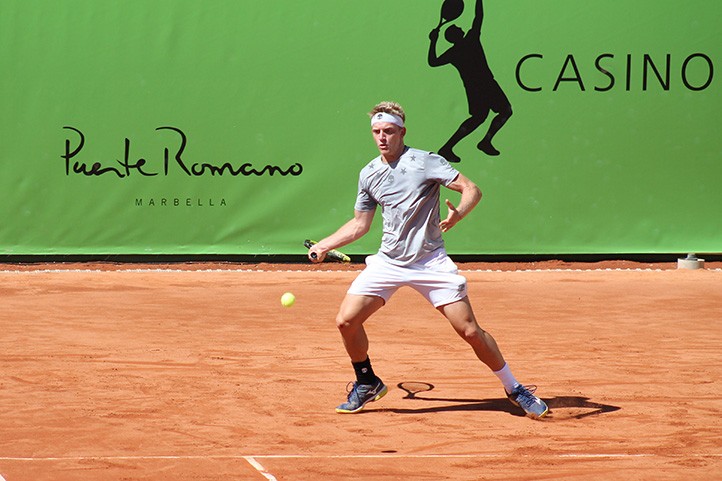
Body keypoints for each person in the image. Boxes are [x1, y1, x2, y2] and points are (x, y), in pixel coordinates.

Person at [308, 101, 547, 418]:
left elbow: (472, 189)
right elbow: (360, 224)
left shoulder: (426, 162)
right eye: (377, 132)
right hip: (389, 262)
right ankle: (367, 382)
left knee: (470, 331)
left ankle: (514, 388)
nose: (382, 137)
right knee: (346, 321)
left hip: (430, 262)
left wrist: (459, 213)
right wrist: (325, 244)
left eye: (389, 131)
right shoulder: (369, 174)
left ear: (402, 132)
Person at [428, 0, 512, 162]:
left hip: (474, 88)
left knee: (480, 117)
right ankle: (484, 141)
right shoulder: (471, 38)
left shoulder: (453, 52)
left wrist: (433, 41)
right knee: (505, 110)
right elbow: (478, 16)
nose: (461, 28)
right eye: (457, 28)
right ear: (455, 35)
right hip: (486, 84)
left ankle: (450, 147)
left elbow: (433, 61)